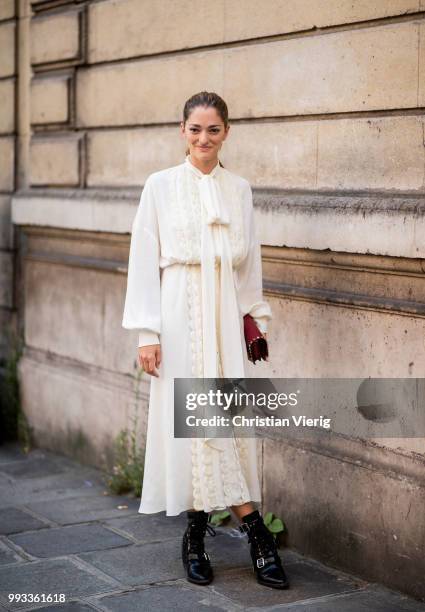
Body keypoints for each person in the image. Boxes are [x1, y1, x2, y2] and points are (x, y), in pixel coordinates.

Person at [122, 91, 289, 589]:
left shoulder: (239, 189)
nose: (203, 138)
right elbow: (143, 257)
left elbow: (250, 263)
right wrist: (147, 332)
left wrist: (254, 319)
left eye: (213, 129)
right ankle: (234, 532)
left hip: (222, 318)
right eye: (195, 129)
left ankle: (213, 531)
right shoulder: (160, 186)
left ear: (226, 133)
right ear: (182, 131)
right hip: (175, 316)